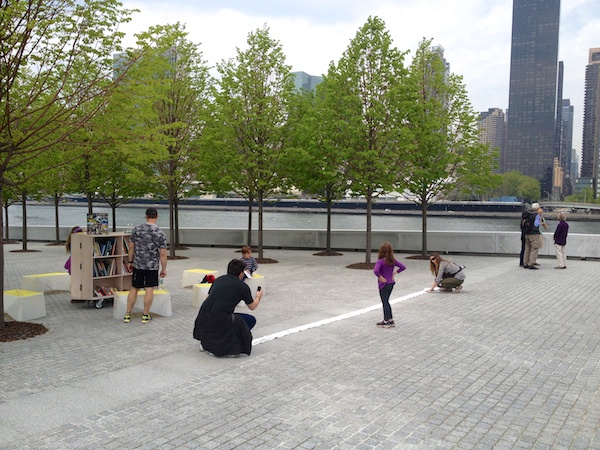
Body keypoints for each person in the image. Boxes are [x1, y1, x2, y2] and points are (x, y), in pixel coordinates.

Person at [193, 259, 263, 357]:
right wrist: (258, 296)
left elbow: (207, 297)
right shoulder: (242, 286)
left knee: (226, 318)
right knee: (250, 320)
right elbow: (252, 306)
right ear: (241, 273)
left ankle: (207, 342)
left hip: (203, 317)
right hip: (221, 318)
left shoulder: (219, 280)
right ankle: (230, 343)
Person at [124, 207, 167, 324]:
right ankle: (145, 315)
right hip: (152, 266)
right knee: (149, 289)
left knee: (134, 288)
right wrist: (164, 268)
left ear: (146, 216)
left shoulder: (137, 229)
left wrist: (130, 261)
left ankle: (128, 314)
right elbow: (162, 254)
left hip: (138, 264)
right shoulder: (160, 233)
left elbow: (131, 247)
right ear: (157, 217)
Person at [373, 242, 406, 328]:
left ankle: (386, 320)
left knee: (385, 302)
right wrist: (395, 272)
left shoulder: (380, 261)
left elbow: (376, 271)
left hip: (383, 284)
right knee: (387, 301)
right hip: (391, 283)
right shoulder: (392, 261)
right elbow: (403, 267)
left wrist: (380, 277)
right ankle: (390, 319)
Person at [523, 203, 543, 269]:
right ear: (537, 209)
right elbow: (536, 224)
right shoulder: (536, 215)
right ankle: (531, 263)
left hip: (527, 233)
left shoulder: (528, 214)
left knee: (527, 248)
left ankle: (525, 262)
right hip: (534, 234)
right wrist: (540, 221)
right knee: (534, 248)